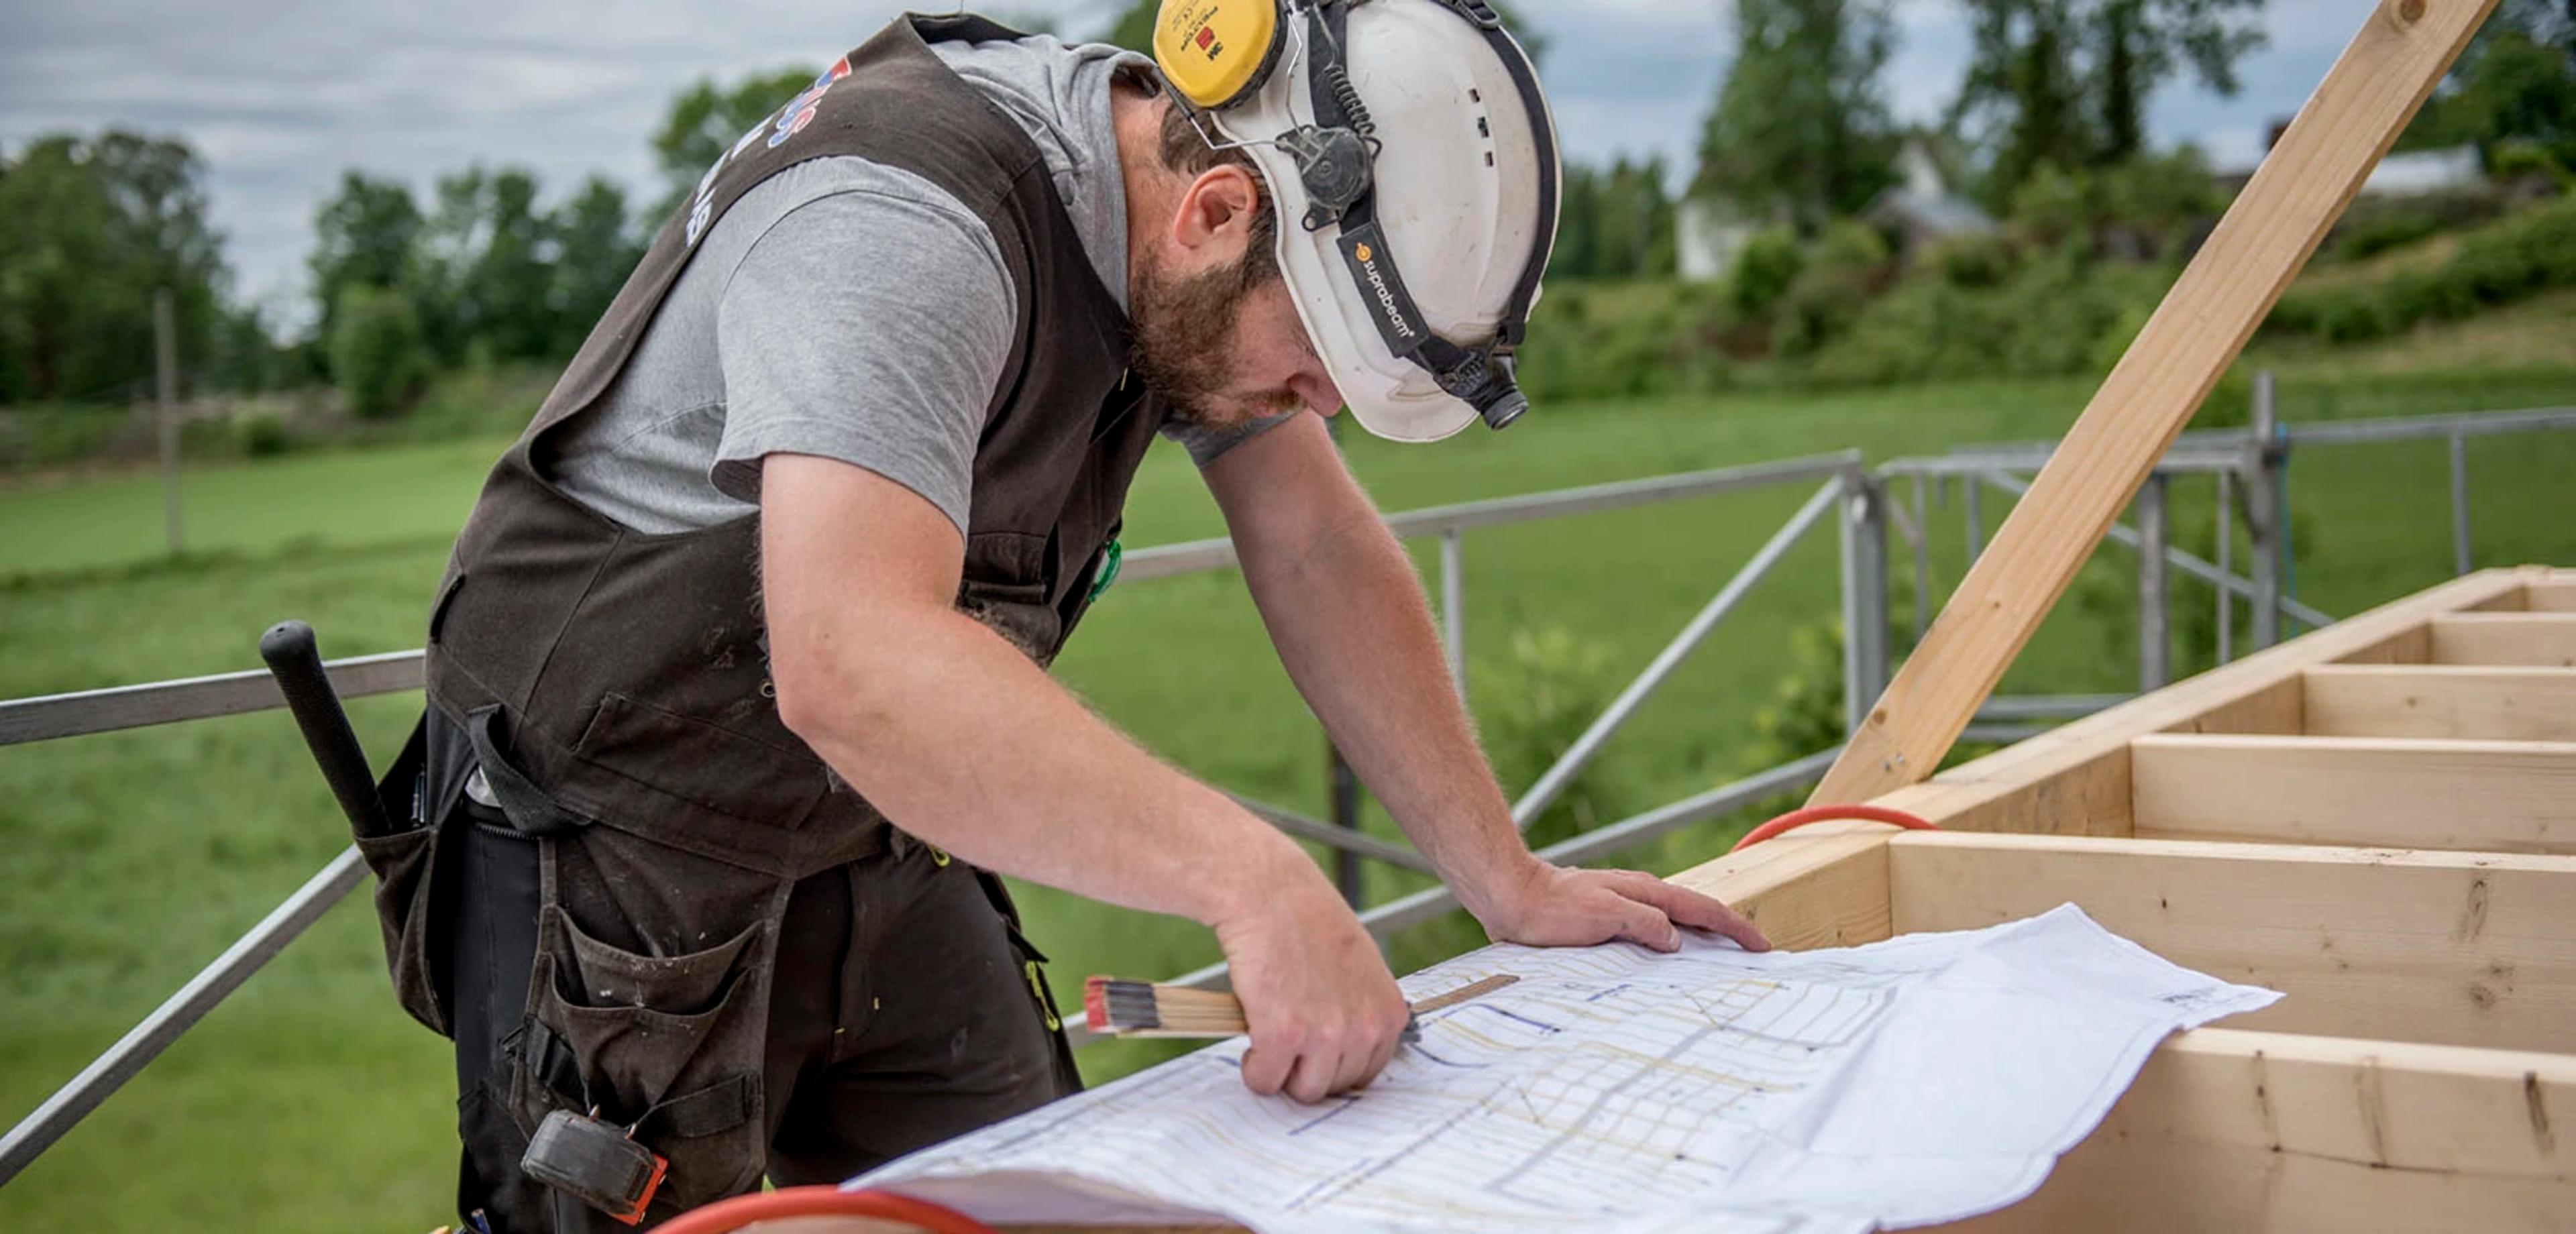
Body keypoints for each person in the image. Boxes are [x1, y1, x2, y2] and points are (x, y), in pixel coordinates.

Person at [361, 3, 1772, 1229]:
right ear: (1218, 214)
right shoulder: (905, 219)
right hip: (610, 850)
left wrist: (1507, 878)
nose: (1314, 410)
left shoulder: (1184, 217)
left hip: (865, 816)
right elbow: (849, 656)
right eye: (1315, 369)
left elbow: (1315, 540)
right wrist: (1252, 875)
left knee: (1041, 1197)